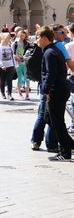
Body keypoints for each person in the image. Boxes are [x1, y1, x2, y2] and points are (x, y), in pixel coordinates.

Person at [36, 27, 73, 161]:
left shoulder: (50, 52)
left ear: (45, 38)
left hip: (56, 91)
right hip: (59, 89)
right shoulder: (52, 50)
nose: (37, 40)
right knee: (48, 118)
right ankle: (69, 144)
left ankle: (65, 153)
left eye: (38, 37)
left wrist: (47, 91)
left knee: (57, 122)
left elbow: (51, 74)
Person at [0, 33, 16, 100]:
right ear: (3, 38)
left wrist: (14, 65)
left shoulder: (9, 46)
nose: (9, 38)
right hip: (1, 66)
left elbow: (13, 57)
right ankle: (2, 93)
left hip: (10, 65)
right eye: (8, 37)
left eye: (9, 37)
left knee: (10, 80)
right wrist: (1, 65)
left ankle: (9, 94)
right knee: (2, 80)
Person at [13, 30, 30, 100]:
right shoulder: (15, 43)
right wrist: (16, 58)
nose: (22, 36)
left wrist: (25, 58)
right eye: (20, 35)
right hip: (18, 63)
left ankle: (27, 94)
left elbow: (29, 52)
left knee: (27, 78)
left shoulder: (26, 44)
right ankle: (20, 93)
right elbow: (12, 53)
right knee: (19, 78)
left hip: (25, 63)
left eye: (23, 35)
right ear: (17, 34)